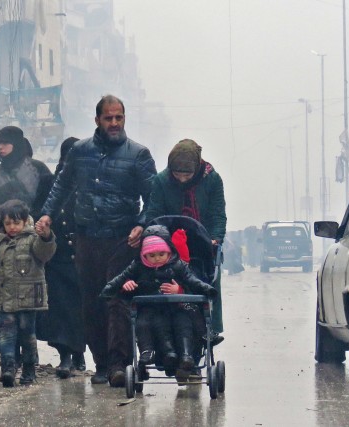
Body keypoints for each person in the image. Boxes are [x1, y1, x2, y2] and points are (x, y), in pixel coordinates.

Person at [38, 94, 157, 387]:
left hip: (122, 240)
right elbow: (61, 186)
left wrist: (142, 225)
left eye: (119, 118)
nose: (114, 123)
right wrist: (46, 216)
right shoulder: (79, 152)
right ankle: (101, 363)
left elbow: (153, 199)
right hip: (87, 238)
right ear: (98, 120)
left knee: (117, 300)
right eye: (109, 118)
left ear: (124, 119)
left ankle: (119, 364)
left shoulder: (138, 155)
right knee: (91, 302)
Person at [100, 226, 218, 382]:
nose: (157, 258)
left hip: (177, 308)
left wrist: (191, 290)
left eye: (161, 254)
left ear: (169, 252)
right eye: (152, 255)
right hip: (150, 308)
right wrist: (119, 288)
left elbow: (192, 281)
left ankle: (186, 356)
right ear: (144, 255)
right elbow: (121, 278)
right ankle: (147, 352)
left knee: (183, 323)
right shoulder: (138, 267)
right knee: (143, 323)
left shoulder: (178, 266)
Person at [145, 139, 226, 343]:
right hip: (168, 243)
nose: (181, 179)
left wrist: (215, 239)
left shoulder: (212, 179)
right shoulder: (161, 181)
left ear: (197, 167)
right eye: (177, 174)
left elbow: (217, 214)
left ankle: (209, 328)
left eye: (187, 174)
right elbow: (153, 211)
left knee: (207, 281)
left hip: (202, 244)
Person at [0, 199, 56, 387]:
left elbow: (45, 253)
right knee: (6, 336)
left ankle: (28, 369)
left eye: (16, 223)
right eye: (8, 223)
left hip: (29, 301)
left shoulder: (33, 239)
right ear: (2, 223)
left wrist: (46, 237)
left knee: (28, 336)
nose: (12, 227)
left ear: (25, 222)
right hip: (3, 301)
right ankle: (7, 368)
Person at [35, 137, 86, 378]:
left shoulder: (89, 181)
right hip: (57, 253)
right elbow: (40, 210)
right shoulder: (49, 182)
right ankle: (65, 355)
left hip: (83, 252)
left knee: (80, 307)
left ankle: (79, 352)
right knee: (60, 307)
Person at [0, 126, 53, 217]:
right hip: (1, 226)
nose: (0, 147)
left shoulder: (37, 168)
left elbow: (50, 198)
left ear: (16, 143)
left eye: (5, 142)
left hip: (32, 225)